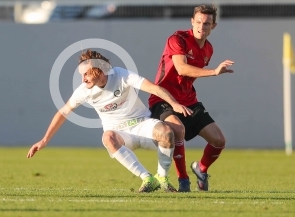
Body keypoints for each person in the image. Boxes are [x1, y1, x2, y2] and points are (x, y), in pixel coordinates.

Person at [28, 49, 192, 193]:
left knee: (167, 132)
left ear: (99, 71)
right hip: (120, 135)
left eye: (86, 74)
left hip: (142, 125)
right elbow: (63, 112)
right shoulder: (84, 91)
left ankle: (162, 178)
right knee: (107, 137)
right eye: (81, 75)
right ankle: (147, 178)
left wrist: (174, 104)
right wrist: (44, 140)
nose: (83, 79)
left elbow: (153, 88)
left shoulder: (121, 75)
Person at [148, 5, 234, 192]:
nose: (202, 27)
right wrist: (214, 72)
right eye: (199, 22)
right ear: (192, 22)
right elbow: (181, 68)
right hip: (164, 97)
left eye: (207, 24)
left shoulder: (208, 49)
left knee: (219, 140)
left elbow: (189, 76)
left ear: (214, 26)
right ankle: (183, 180)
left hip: (188, 99)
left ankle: (201, 169)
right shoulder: (177, 39)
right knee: (177, 129)